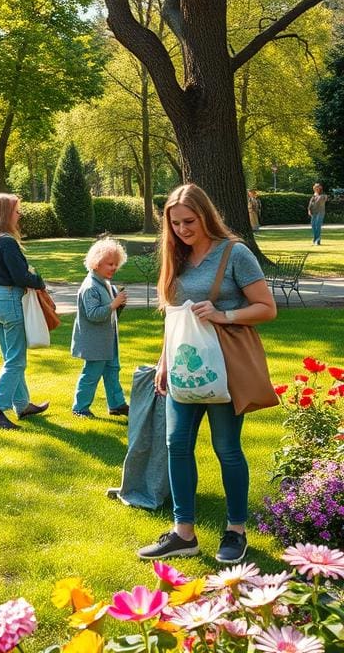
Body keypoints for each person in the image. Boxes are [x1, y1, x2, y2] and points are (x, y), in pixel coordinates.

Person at [137, 183, 276, 564]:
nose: (182, 229)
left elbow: (267, 308)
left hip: (224, 367)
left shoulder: (235, 254)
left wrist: (223, 314)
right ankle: (184, 534)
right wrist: (163, 361)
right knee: (176, 444)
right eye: (175, 223)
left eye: (189, 221)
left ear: (206, 216)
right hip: (183, 366)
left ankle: (236, 530)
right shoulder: (175, 257)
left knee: (227, 449)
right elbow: (173, 317)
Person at [0, 193, 50, 430]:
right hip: (8, 299)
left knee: (10, 357)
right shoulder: (6, 241)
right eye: (17, 211)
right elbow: (20, 276)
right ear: (6, 214)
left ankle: (22, 404)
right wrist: (40, 282)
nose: (20, 214)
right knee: (16, 360)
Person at [70, 238, 130, 418]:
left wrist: (118, 305)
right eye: (110, 264)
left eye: (116, 264)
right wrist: (113, 304)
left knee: (112, 371)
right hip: (95, 343)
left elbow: (110, 313)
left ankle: (117, 404)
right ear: (96, 263)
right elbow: (94, 315)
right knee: (91, 375)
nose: (114, 268)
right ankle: (79, 408)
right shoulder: (90, 287)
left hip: (107, 341)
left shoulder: (104, 283)